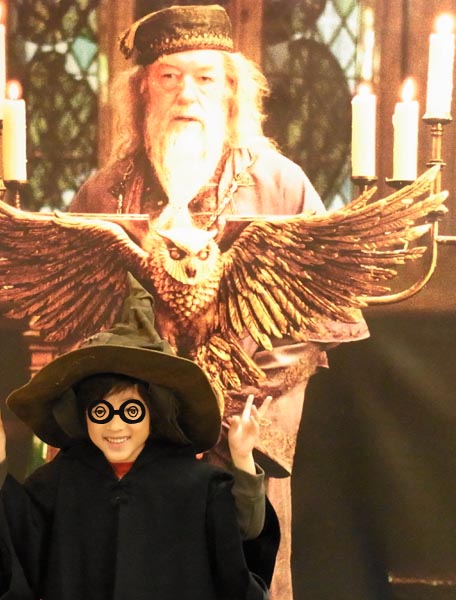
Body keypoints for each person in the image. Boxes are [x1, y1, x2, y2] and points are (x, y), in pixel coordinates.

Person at [68, 5, 369, 598]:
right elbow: (80, 321)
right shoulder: (103, 192)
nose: (188, 94)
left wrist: (232, 394)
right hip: (136, 433)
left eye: (205, 78)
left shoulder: (281, 185)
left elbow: (331, 313)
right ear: (142, 90)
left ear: (232, 90)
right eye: (169, 76)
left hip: (245, 424)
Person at [0, 274, 280, 600]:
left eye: (131, 411)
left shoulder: (197, 484)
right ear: (83, 415)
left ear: (154, 414)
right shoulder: (59, 482)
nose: (115, 427)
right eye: (100, 412)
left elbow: (245, 533)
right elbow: (6, 533)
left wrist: (243, 458)